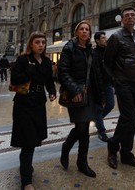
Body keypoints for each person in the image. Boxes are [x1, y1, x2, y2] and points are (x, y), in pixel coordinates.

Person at [10, 32, 56, 190]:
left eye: (43, 42)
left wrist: (52, 91)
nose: (41, 45)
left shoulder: (47, 61)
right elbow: (14, 80)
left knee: (33, 140)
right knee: (28, 142)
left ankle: (26, 167)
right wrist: (30, 70)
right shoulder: (23, 60)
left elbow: (49, 80)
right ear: (31, 44)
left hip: (38, 104)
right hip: (23, 104)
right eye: (37, 42)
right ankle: (26, 181)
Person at [58, 20, 104, 178]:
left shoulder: (91, 49)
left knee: (84, 127)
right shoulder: (69, 48)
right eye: (82, 29)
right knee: (81, 127)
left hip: (89, 93)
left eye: (87, 29)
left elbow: (95, 74)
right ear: (76, 31)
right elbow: (63, 72)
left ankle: (81, 161)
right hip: (75, 92)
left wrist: (101, 95)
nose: (85, 31)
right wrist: (75, 89)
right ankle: (71, 152)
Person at [104, 7, 135, 170]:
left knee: (132, 118)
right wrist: (115, 80)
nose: (130, 17)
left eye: (132, 15)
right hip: (123, 82)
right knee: (128, 116)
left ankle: (127, 154)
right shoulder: (116, 37)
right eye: (126, 15)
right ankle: (113, 146)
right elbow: (107, 62)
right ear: (122, 19)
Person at [93, 31, 115, 142]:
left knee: (111, 104)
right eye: (103, 38)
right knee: (98, 108)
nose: (105, 39)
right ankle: (101, 131)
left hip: (108, 83)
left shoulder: (108, 51)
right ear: (97, 40)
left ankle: (97, 120)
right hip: (97, 85)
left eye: (105, 37)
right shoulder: (94, 53)